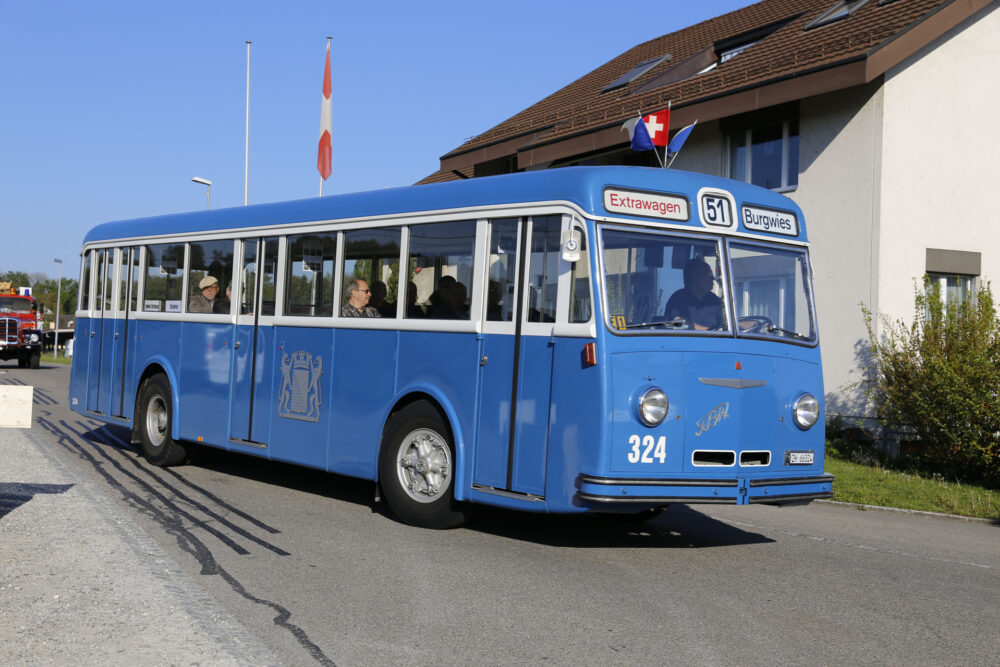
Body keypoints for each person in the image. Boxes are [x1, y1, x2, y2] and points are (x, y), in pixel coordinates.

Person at [664, 258, 724, 330]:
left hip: (717, 340)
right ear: (694, 276)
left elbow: (725, 324)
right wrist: (707, 331)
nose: (713, 278)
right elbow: (674, 323)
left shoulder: (714, 300)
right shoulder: (678, 298)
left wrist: (739, 324)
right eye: (709, 274)